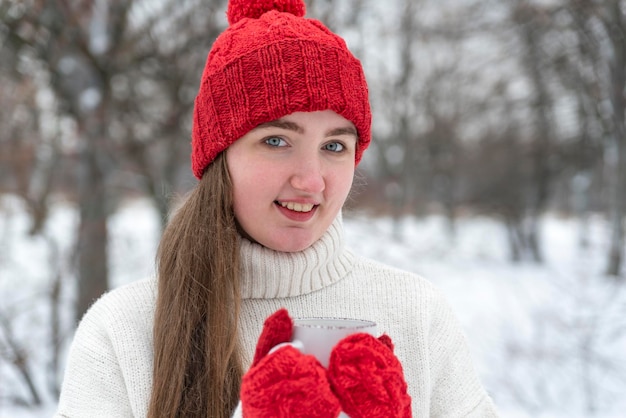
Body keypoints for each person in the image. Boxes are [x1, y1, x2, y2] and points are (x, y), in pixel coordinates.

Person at [55, 0, 499, 417]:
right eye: (276, 141)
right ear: (220, 157)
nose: (311, 179)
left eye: (334, 145)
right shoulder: (123, 333)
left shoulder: (415, 312)